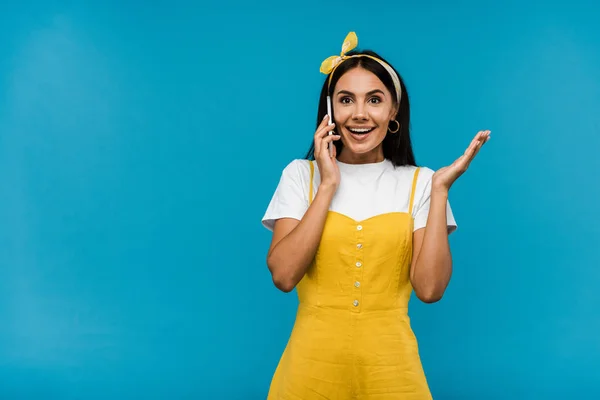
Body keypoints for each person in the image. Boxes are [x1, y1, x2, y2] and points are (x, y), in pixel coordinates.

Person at [261, 32, 490, 399]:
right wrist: (327, 186)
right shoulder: (300, 176)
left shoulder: (422, 183)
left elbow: (430, 290)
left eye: (375, 99)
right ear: (330, 109)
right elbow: (284, 276)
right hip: (308, 375)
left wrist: (440, 191)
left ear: (393, 111)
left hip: (393, 374)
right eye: (346, 99)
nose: (360, 113)